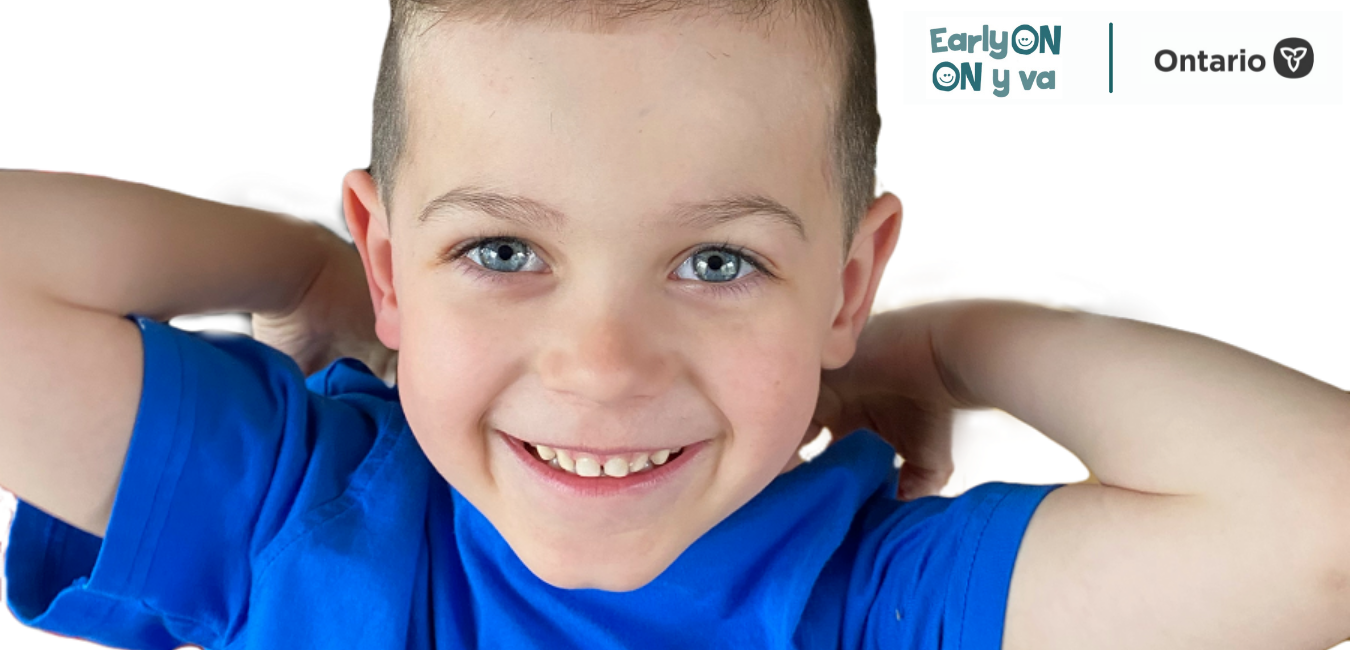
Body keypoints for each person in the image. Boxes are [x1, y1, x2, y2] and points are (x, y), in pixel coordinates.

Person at [3, 1, 1350, 648]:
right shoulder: (305, 510)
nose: (601, 365)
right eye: (502, 248)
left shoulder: (861, 599)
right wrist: (310, 278)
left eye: (715, 258)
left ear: (843, 279)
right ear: (392, 260)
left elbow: (1319, 524)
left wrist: (942, 344)